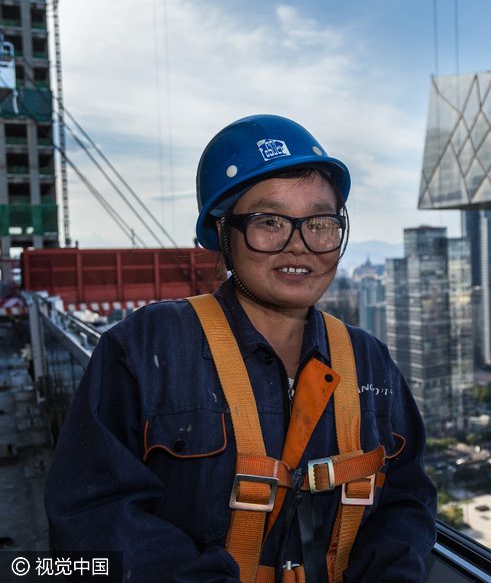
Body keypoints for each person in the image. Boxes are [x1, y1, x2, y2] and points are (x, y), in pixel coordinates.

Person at [45, 115, 437, 582]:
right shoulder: (147, 348)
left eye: (320, 222)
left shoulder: (368, 360)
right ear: (223, 232)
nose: (300, 245)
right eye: (269, 221)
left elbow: (406, 500)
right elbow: (95, 518)